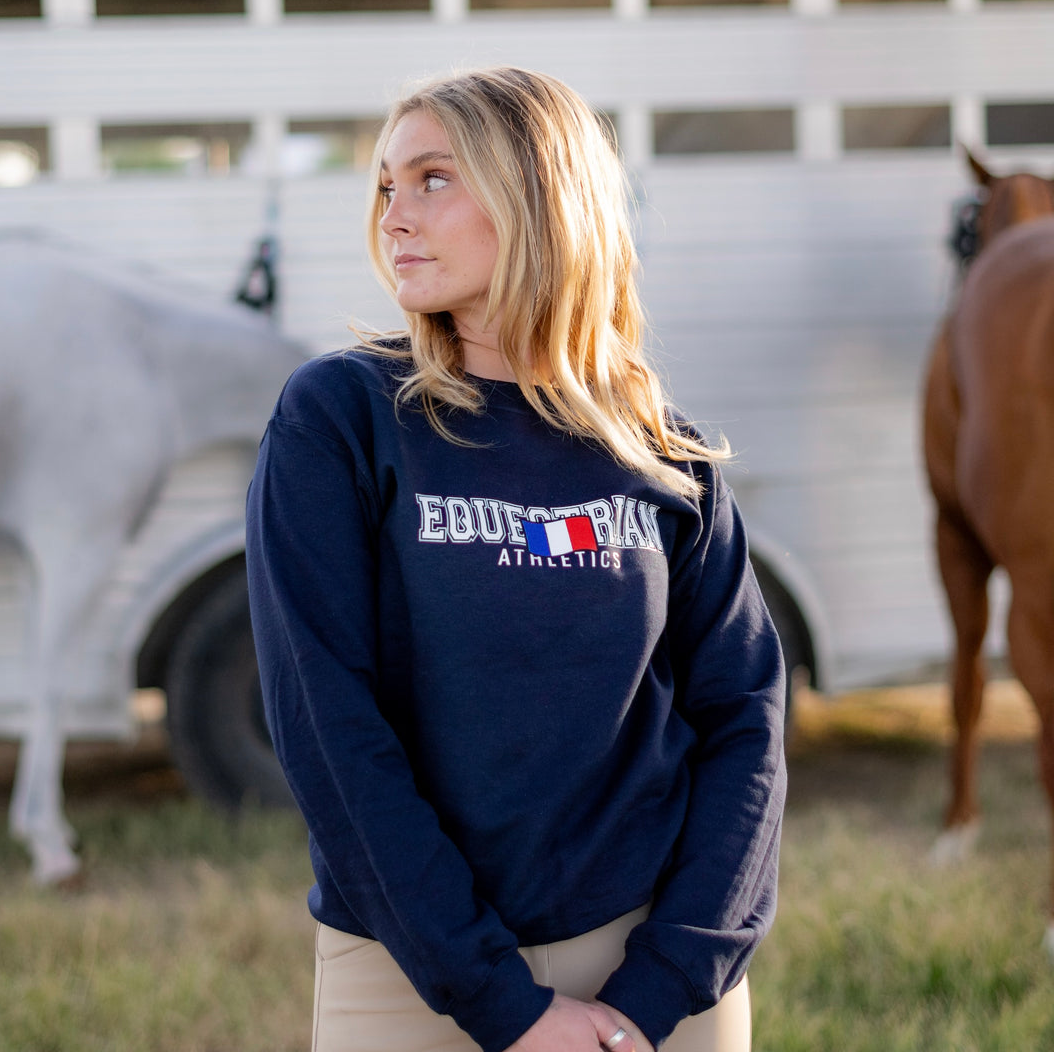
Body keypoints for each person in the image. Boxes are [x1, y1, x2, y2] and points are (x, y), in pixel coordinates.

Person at [245, 66, 787, 1052]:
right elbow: (329, 727)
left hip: (651, 973)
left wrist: (660, 989)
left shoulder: (664, 454)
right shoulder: (343, 418)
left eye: (433, 179)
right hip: (410, 973)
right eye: (384, 187)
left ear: (540, 193)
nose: (394, 217)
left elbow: (746, 721)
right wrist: (504, 1003)